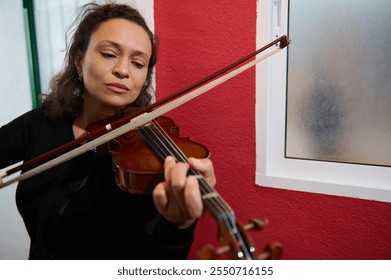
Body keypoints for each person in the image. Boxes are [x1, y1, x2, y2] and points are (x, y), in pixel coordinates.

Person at [0, 3, 216, 260]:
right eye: (109, 54)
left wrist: (179, 225)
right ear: (79, 61)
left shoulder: (146, 161)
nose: (123, 70)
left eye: (138, 63)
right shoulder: (43, 122)